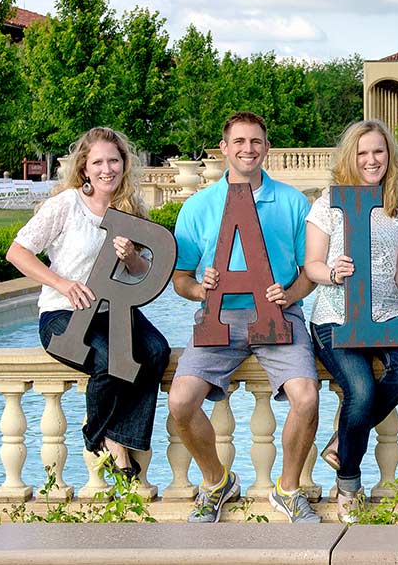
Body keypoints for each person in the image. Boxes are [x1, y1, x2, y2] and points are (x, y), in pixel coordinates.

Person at [167, 112, 320, 524]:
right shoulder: (198, 206)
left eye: (255, 141)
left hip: (279, 315)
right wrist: (201, 290)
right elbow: (180, 278)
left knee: (307, 397)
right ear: (224, 148)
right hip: (218, 317)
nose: (247, 149)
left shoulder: (292, 202)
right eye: (239, 141)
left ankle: (288, 490)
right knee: (180, 401)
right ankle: (217, 482)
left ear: (267, 148)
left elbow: (310, 271)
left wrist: (289, 295)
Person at [6, 127, 170, 480]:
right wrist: (63, 284)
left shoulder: (130, 209)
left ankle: (121, 434)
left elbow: (141, 269)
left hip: (113, 313)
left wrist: (130, 257)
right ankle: (102, 438)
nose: (107, 169)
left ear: (124, 164)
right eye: (98, 162)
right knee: (109, 360)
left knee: (156, 351)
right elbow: (17, 252)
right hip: (64, 314)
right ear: (84, 167)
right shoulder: (66, 204)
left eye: (114, 161)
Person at [304, 119, 398, 522]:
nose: (372, 160)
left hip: (387, 314)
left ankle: (344, 438)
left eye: (378, 151)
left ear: (390, 155)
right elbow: (311, 265)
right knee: (361, 390)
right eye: (363, 152)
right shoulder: (328, 205)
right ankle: (349, 483)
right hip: (335, 317)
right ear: (350, 157)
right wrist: (332, 271)